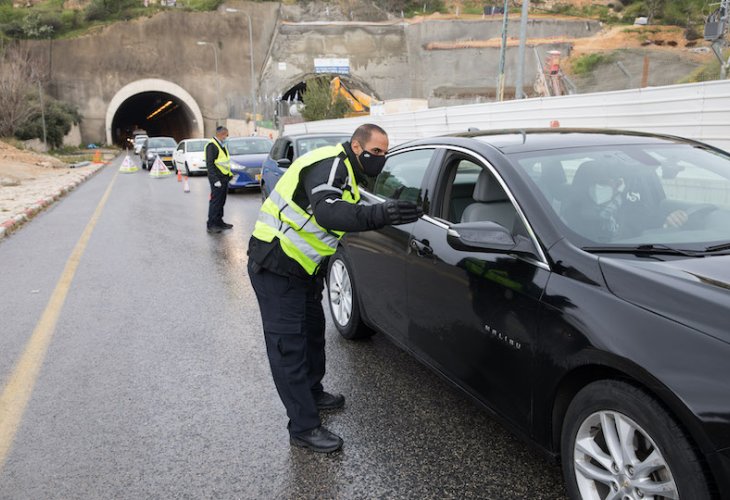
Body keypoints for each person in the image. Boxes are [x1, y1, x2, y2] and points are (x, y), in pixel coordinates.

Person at [247, 124, 421, 453]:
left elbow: (355, 204)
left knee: (313, 333)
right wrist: (380, 214)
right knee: (290, 348)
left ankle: (312, 393)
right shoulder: (331, 164)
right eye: (376, 152)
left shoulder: (351, 175)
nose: (380, 159)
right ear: (357, 147)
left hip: (304, 269)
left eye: (385, 153)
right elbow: (328, 211)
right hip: (276, 264)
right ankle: (303, 427)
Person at [206, 126, 233, 234]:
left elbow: (224, 162)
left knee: (221, 202)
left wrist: (229, 175)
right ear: (221, 134)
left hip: (224, 178)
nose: (227, 137)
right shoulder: (212, 146)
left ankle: (219, 221)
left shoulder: (222, 145)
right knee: (215, 202)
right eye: (226, 135)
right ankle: (211, 224)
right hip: (217, 180)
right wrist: (215, 180)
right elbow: (210, 164)